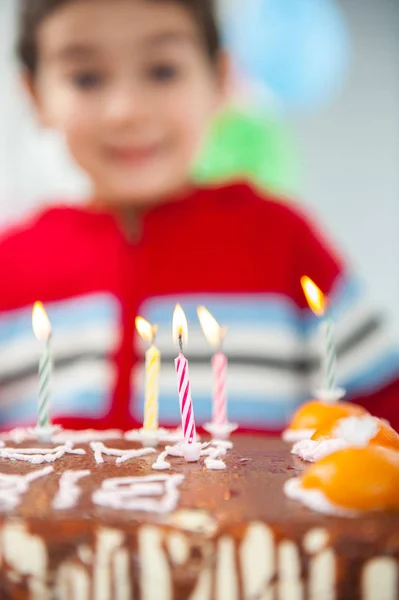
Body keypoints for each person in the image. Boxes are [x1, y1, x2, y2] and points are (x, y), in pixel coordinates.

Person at [0, 0, 397, 433]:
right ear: (35, 95)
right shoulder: (9, 266)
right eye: (86, 78)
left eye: (163, 71)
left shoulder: (282, 242)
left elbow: (383, 421)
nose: (126, 109)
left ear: (221, 79)